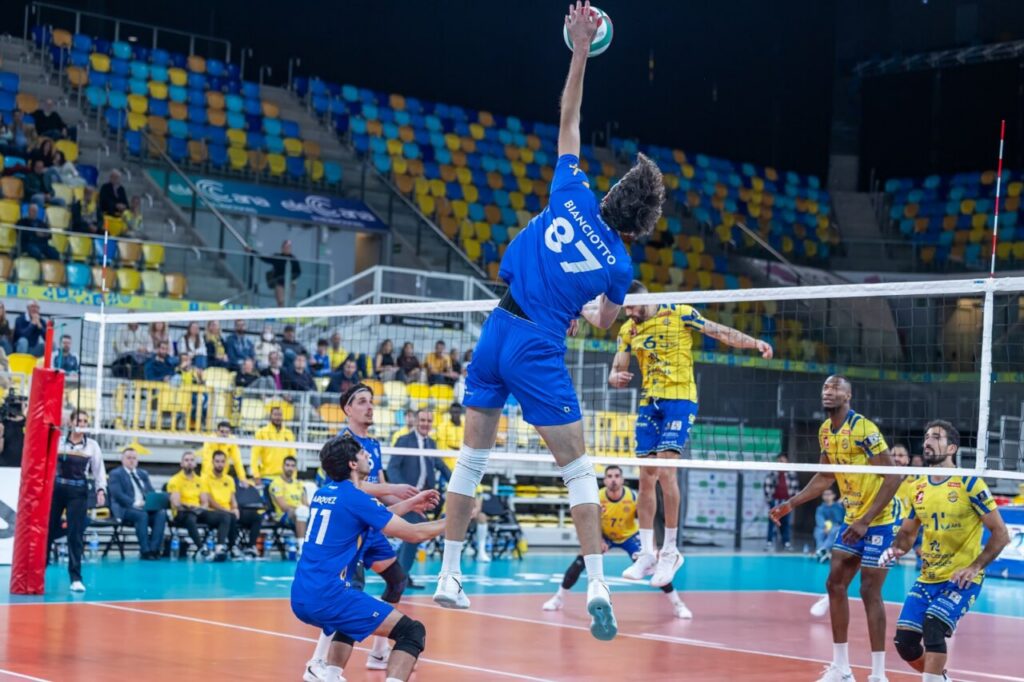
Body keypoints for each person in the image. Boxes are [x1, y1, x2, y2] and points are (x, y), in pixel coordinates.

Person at [434, 2, 665, 644]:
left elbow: (569, 116)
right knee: (578, 470)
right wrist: (586, 310)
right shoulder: (618, 265)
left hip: (496, 330)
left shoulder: (571, 191)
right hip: (538, 346)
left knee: (471, 461)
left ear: (611, 193)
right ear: (639, 226)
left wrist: (580, 48)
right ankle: (597, 585)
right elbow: (604, 322)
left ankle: (449, 575)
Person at [612, 279, 774, 584]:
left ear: (646, 299)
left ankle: (670, 551)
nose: (629, 313)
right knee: (645, 477)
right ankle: (647, 553)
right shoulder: (627, 329)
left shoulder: (679, 312)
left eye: (632, 307)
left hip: (680, 399)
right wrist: (615, 376)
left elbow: (719, 332)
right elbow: (617, 366)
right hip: (649, 402)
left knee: (666, 471)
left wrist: (754, 343)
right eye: (625, 309)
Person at [769, 375, 903, 682]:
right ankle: (841, 668)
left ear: (848, 396)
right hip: (853, 517)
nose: (828, 392)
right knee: (834, 584)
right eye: (826, 387)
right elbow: (825, 476)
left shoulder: (864, 429)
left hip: (880, 520)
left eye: (836, 388)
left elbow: (893, 477)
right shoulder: (825, 431)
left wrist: (866, 520)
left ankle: (878, 674)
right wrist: (791, 503)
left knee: (869, 590)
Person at [292, 434, 444, 682]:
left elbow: (369, 515)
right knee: (412, 632)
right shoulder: (355, 498)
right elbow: (414, 534)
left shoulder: (323, 493)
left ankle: (330, 675)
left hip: (301, 596)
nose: (368, 457)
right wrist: (456, 520)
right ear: (352, 463)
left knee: (352, 615)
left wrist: (410, 503)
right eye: (363, 454)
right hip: (329, 597)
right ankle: (323, 664)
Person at [304, 383, 421, 677]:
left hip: (371, 525)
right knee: (348, 591)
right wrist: (393, 489)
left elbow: (379, 487)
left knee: (397, 580)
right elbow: (352, 488)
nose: (369, 407)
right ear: (347, 409)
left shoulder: (374, 444)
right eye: (362, 402)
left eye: (371, 401)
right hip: (349, 526)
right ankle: (318, 662)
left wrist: (409, 503)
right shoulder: (343, 445)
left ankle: (379, 652)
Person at [883, 420, 1009, 682]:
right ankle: (941, 678)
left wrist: (974, 567)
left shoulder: (969, 483)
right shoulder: (918, 486)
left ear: (952, 448)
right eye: (927, 437)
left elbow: (1001, 533)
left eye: (936, 437)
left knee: (934, 625)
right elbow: (907, 533)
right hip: (928, 577)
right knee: (905, 643)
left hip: (961, 580)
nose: (927, 441)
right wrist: (895, 549)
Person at [543, 465, 692, 619]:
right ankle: (558, 598)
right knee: (581, 560)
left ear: (622, 479)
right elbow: (591, 522)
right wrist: (599, 539)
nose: (613, 480)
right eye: (609, 476)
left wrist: (652, 548)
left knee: (653, 567)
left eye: (616, 476)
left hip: (629, 537)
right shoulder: (597, 497)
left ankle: (678, 604)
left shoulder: (633, 497)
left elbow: (648, 521)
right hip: (605, 536)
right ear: (604, 480)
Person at [389, 408, 451, 581]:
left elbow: (441, 466)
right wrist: (404, 491)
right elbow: (392, 468)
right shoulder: (404, 441)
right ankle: (400, 578)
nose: (425, 424)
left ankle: (398, 574)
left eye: (429, 421)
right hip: (406, 499)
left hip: (425, 500)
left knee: (413, 536)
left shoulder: (431, 443)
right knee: (414, 533)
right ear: (416, 421)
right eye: (422, 420)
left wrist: (457, 483)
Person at [49, 410, 106, 592]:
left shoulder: (92, 446)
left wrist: (100, 490)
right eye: (79, 420)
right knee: (47, 531)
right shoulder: (59, 442)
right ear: (71, 423)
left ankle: (75, 578)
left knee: (75, 535)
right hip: (57, 490)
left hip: (78, 492)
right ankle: (38, 572)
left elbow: (99, 471)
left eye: (85, 421)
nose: (82, 424)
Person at [108, 447, 166, 560]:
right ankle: (145, 551)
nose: (132, 460)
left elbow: (150, 491)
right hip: (125, 508)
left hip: (144, 507)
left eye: (134, 458)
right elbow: (117, 495)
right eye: (129, 458)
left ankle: (154, 549)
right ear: (122, 459)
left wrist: (153, 501)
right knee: (141, 515)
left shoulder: (143, 474)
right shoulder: (115, 474)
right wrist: (135, 503)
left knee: (161, 513)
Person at [166, 451, 209, 557]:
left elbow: (205, 503)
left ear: (195, 464)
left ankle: (223, 548)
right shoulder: (175, 480)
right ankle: (201, 548)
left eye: (192, 460)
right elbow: (176, 503)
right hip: (181, 512)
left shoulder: (201, 481)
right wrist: (189, 506)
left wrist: (199, 508)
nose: (189, 462)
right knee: (190, 517)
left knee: (224, 516)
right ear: (181, 464)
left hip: (197, 511)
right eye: (186, 460)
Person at [269, 455, 309, 552]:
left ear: (295, 468)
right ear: (283, 466)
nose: (290, 468)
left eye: (292, 466)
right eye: (287, 465)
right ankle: (302, 548)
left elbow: (306, 503)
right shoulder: (276, 484)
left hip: (301, 513)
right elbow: (283, 507)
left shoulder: (299, 484)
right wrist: (300, 509)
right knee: (301, 512)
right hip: (284, 516)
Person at [251, 406, 297, 484]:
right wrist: (256, 475)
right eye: (275, 415)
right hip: (266, 477)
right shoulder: (261, 432)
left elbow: (292, 456)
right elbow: (254, 456)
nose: (278, 417)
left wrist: (294, 476)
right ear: (270, 416)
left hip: (284, 478)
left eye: (280, 415)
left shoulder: (288, 433)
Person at [765, 454, 801, 551]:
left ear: (787, 462)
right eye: (779, 461)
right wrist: (770, 500)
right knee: (772, 522)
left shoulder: (791, 474)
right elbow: (767, 487)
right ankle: (769, 542)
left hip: (786, 502)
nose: (780, 463)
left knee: (786, 522)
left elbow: (796, 488)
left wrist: (793, 501)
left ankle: (786, 543)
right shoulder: (772, 473)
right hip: (775, 501)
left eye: (782, 461)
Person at [198, 421, 249, 485]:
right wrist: (209, 478)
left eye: (227, 432)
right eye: (222, 431)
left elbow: (237, 461)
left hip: (222, 474)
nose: (224, 434)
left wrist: (242, 478)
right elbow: (207, 461)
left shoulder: (232, 441)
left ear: (230, 433)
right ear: (217, 432)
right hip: (208, 475)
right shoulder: (210, 440)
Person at [257, 240, 301, 307]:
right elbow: (265, 258)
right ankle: (281, 312)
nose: (287, 249)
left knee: (288, 302)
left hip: (289, 284)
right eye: (285, 247)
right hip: (279, 283)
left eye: (289, 247)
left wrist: (290, 278)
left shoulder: (293, 259)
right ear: (282, 248)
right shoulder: (278, 257)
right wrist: (252, 252)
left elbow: (298, 272)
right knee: (281, 302)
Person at [814, 488, 845, 562]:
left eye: (829, 494)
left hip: (836, 526)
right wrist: (824, 526)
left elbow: (840, 519)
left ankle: (822, 550)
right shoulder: (820, 508)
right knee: (818, 531)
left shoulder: (839, 507)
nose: (827, 496)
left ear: (834, 495)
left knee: (834, 530)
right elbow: (819, 518)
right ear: (822, 496)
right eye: (825, 494)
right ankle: (822, 552)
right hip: (824, 527)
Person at [0, 390, 26, 468]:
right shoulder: (3, 424)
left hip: (22, 466)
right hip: (4, 466)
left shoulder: (28, 424)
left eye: (17, 405)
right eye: (13, 405)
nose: (15, 408)